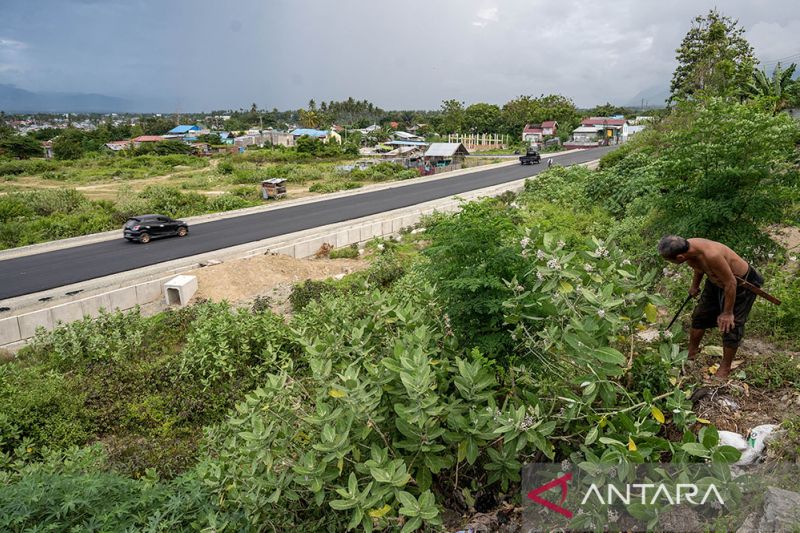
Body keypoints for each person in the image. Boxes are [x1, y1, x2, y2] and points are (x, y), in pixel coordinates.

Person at [657, 235, 763, 379]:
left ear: (680, 257)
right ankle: (691, 354)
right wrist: (694, 285)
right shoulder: (689, 250)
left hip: (740, 285)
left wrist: (727, 313)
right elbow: (699, 268)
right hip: (715, 282)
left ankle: (725, 368)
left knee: (731, 325)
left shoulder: (712, 255)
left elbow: (730, 283)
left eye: (669, 260)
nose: (669, 262)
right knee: (699, 316)